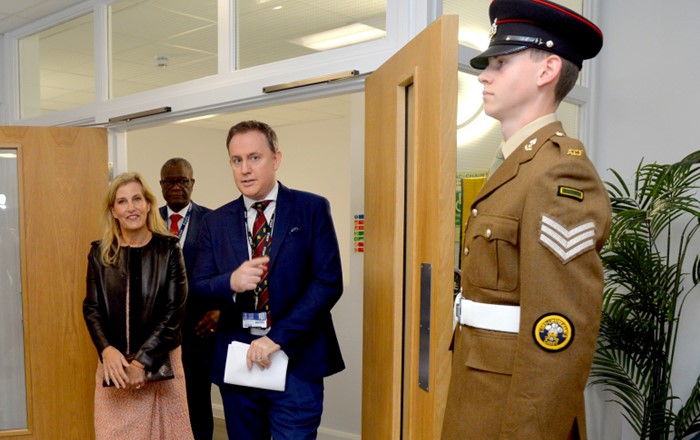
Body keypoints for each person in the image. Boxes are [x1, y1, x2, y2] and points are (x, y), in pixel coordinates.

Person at [442, 1, 612, 439]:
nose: (484, 75)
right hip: (480, 391)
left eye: (500, 62)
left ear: (546, 70)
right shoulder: (514, 165)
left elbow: (557, 331)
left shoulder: (558, 172)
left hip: (513, 413)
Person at [192, 120, 345, 439]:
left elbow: (328, 281)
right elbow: (199, 287)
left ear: (276, 159)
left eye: (254, 158)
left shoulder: (311, 209)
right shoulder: (215, 222)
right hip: (239, 365)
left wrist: (278, 338)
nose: (245, 169)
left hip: (296, 362)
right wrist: (230, 283)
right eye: (237, 160)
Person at [83, 172, 193, 439]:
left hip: (161, 363)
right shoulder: (99, 253)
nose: (131, 207)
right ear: (113, 210)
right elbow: (92, 308)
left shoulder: (169, 250)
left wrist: (142, 363)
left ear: (148, 204)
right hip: (115, 366)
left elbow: (173, 314)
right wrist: (106, 349)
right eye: (122, 201)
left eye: (136, 199)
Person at [158, 157, 217, 440]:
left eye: (182, 180)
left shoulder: (213, 221)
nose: (176, 187)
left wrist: (219, 310)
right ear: (161, 186)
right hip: (157, 328)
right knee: (161, 397)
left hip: (198, 327)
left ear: (192, 183)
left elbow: (226, 269)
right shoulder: (149, 219)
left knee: (197, 397)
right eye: (170, 181)